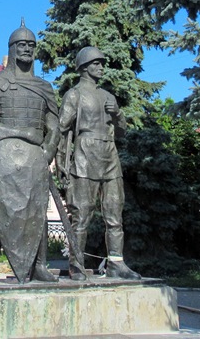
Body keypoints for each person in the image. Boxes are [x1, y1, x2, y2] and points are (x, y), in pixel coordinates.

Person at [0, 20, 61, 284]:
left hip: (36, 160)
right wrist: (22, 133)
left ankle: (40, 266)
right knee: (0, 211)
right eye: (21, 45)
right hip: (4, 158)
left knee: (38, 211)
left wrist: (48, 151)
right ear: (11, 48)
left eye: (31, 45)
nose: (26, 50)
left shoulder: (44, 87)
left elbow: (54, 125)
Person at [57, 46, 141, 281]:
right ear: (84, 67)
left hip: (109, 156)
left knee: (114, 214)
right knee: (81, 216)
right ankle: (76, 264)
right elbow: (62, 130)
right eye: (96, 63)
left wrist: (119, 115)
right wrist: (60, 162)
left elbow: (122, 132)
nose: (101, 67)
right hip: (85, 156)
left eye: (102, 63)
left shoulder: (108, 96)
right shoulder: (74, 95)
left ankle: (116, 263)